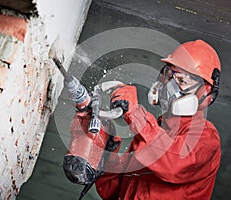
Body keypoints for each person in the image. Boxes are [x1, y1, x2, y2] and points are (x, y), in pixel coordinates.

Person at [69, 39, 222, 200]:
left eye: (182, 81)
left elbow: (174, 164)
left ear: (205, 94)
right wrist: (106, 154)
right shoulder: (153, 133)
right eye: (169, 75)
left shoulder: (206, 136)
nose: (170, 85)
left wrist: (136, 115)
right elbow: (113, 191)